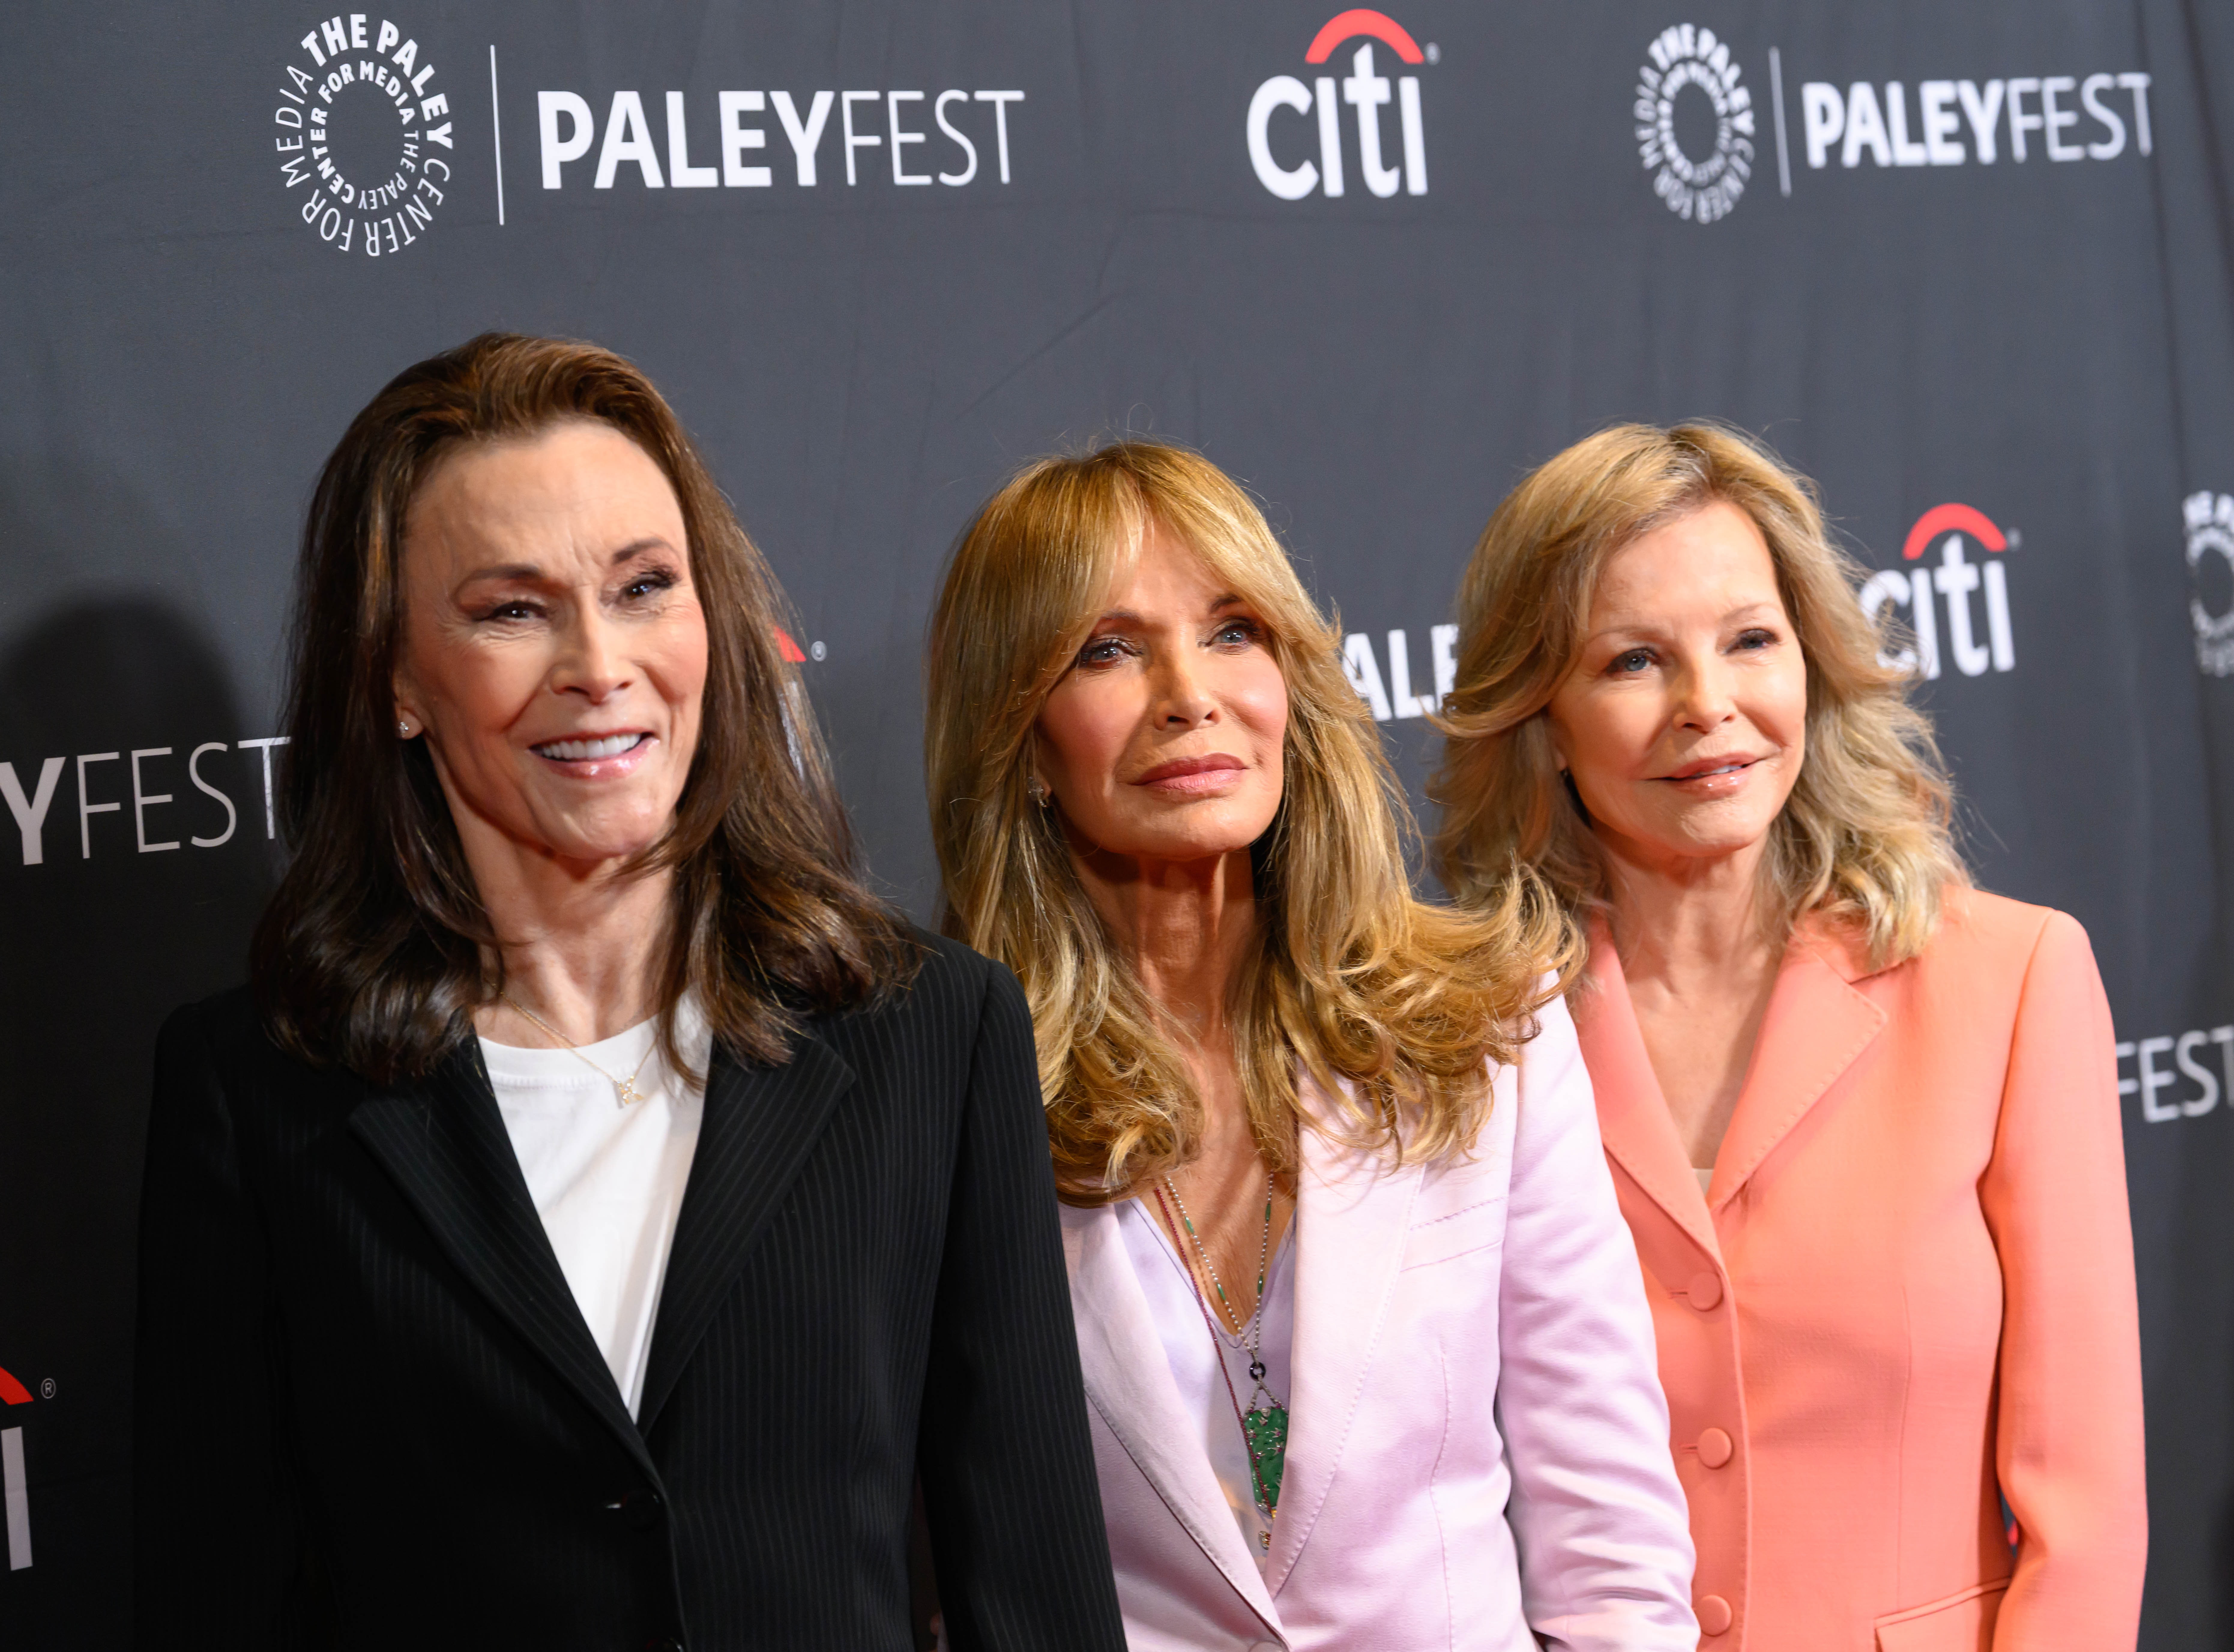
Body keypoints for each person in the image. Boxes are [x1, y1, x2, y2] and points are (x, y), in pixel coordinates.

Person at [133, 333, 1126, 1652]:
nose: (600, 665)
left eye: (644, 587)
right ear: (397, 679)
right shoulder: (260, 1095)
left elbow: (1037, 1596)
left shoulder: (929, 1037)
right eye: (511, 608)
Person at [924, 441, 1698, 1651]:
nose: (1191, 691)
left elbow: (1609, 1535)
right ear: (1020, 737)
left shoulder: (1486, 1028)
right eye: (1109, 649)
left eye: (1234, 630)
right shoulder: (944, 1097)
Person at [1431, 422, 2148, 1650]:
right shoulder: (1466, 1033)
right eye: (1633, 661)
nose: (1708, 706)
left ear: (1810, 660)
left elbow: (2085, 1518)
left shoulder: (2011, 978)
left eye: (1749, 641)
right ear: (1539, 713)